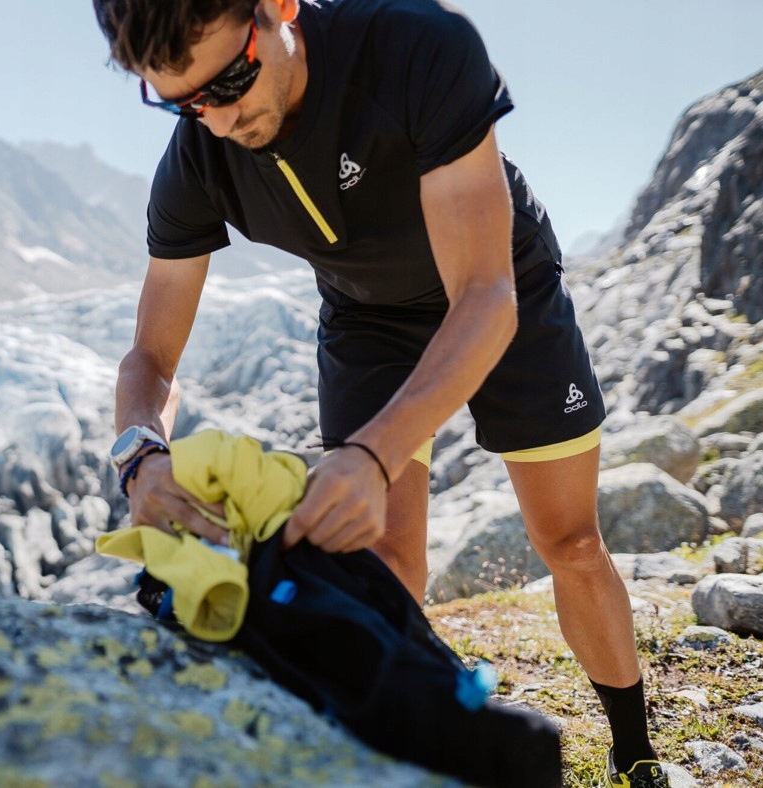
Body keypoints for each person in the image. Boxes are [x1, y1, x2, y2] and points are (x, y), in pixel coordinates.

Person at [94, 0, 669, 785]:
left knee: (567, 544)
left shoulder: (415, 46)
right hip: (368, 321)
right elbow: (152, 356)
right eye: (182, 101)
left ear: (278, 9)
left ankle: (634, 753)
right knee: (388, 561)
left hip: (501, 287)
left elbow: (484, 297)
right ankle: (423, 750)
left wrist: (370, 453)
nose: (218, 119)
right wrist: (139, 454)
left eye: (229, 80)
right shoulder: (200, 154)